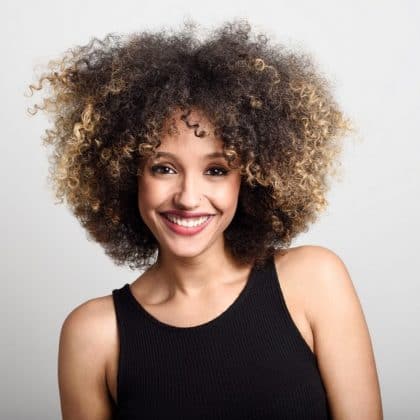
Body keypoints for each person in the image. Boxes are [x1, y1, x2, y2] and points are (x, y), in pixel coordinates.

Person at [29, 18, 382, 420]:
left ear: (249, 179)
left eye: (216, 170)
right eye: (163, 168)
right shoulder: (93, 336)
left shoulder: (314, 280)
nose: (188, 198)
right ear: (127, 176)